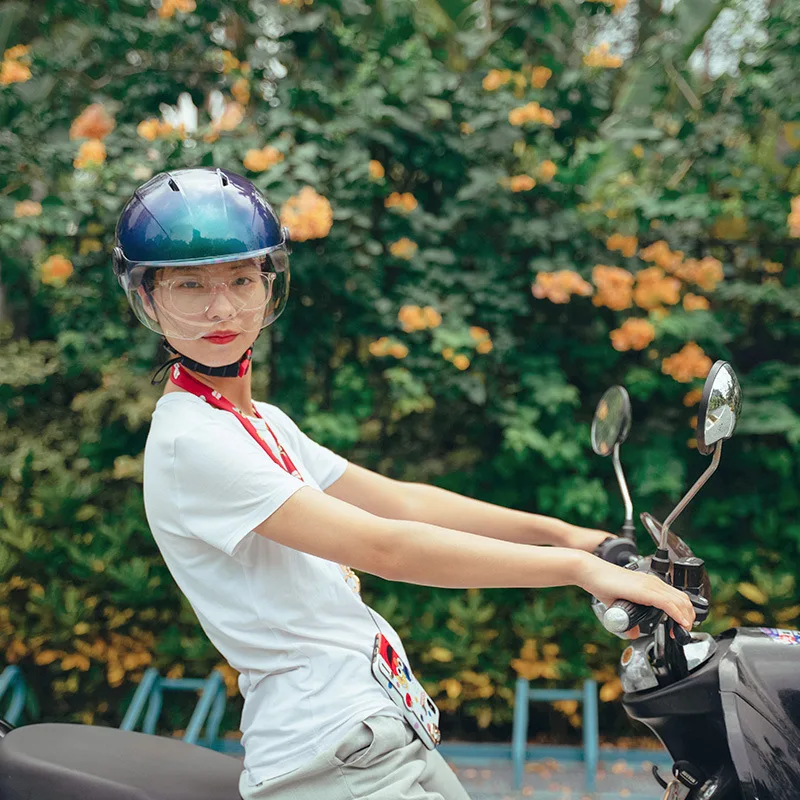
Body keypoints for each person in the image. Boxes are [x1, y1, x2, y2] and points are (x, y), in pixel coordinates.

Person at [113, 167, 695, 800]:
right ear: (148, 298)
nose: (222, 308)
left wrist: (569, 535)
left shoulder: (261, 422)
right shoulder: (192, 442)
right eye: (190, 285)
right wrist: (578, 570)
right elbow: (386, 546)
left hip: (378, 728)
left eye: (240, 279)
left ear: (268, 283)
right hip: (329, 756)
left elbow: (401, 501)